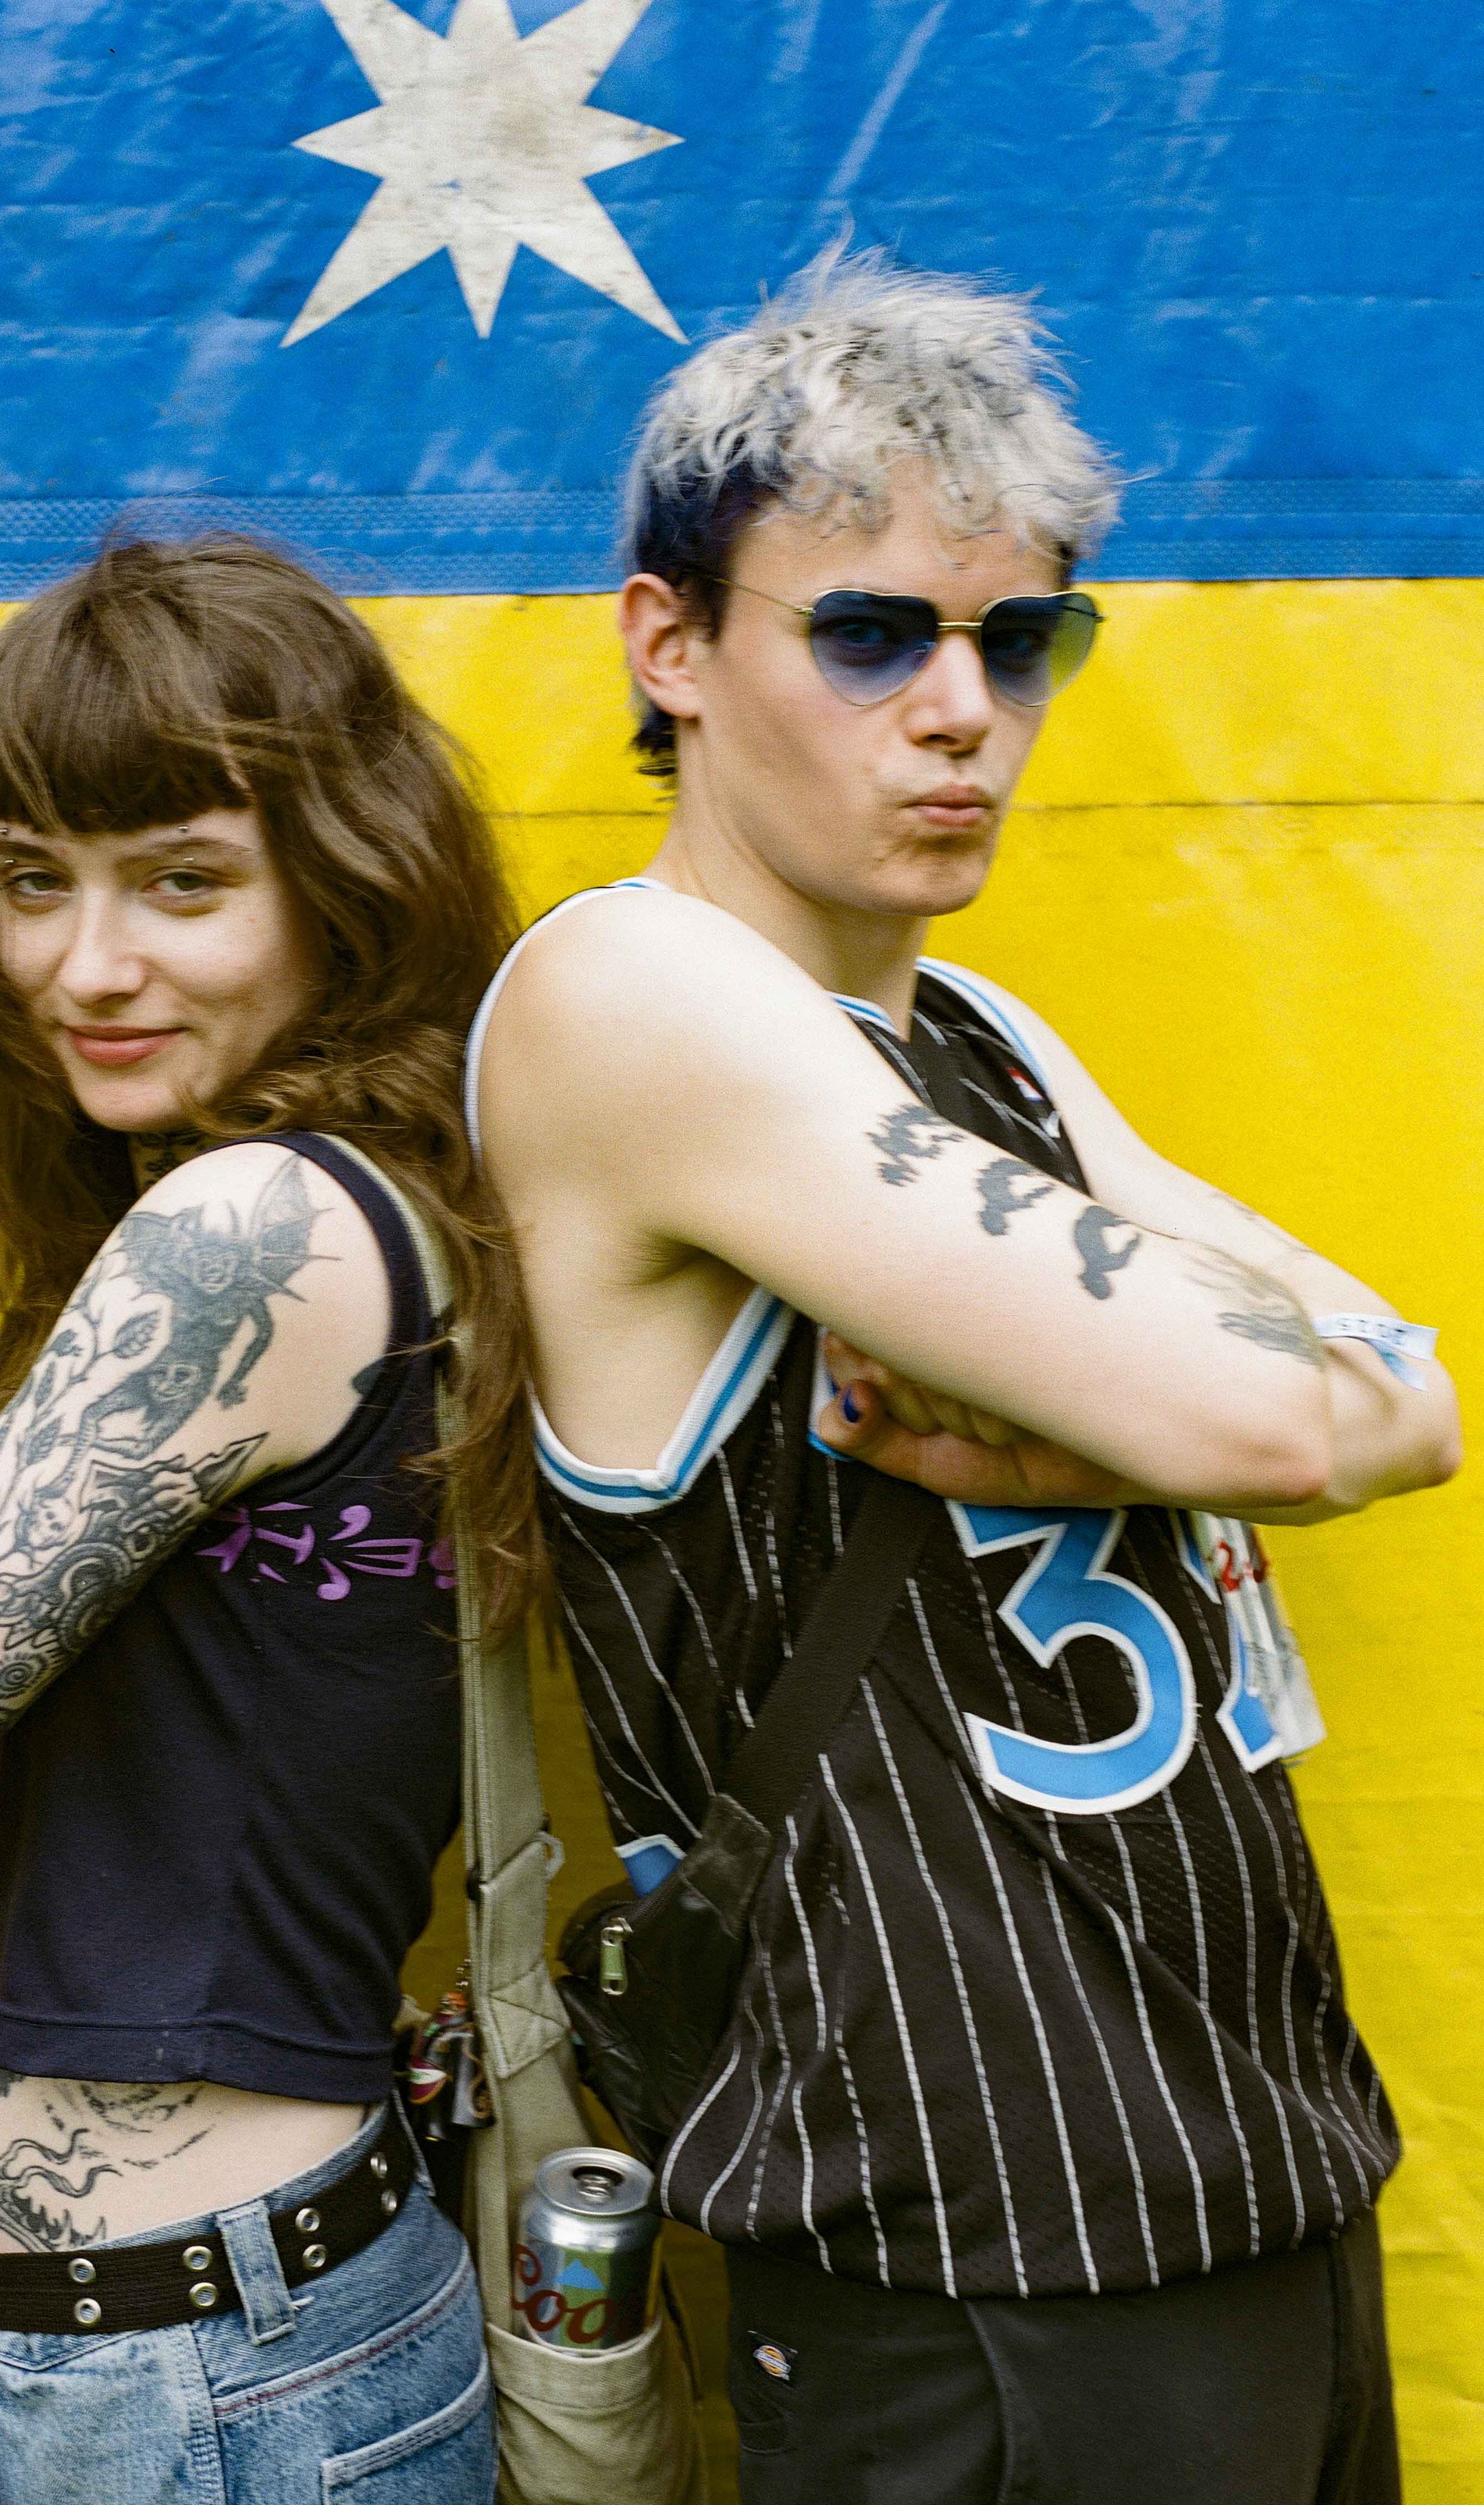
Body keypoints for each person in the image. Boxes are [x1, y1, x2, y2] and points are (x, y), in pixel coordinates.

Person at [468, 257, 1461, 2503]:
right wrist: (1214, 1396)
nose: (960, 711)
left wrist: (1135, 1400)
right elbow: (1291, 1417)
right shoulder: (629, 996)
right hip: (968, 2235)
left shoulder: (979, 1038)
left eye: (1017, 643)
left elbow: (1411, 1388)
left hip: (1245, 2157)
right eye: (868, 632)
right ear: (667, 645)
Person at [0, 534, 531, 2504]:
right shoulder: (336, 1199)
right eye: (33, 881)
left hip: (196, 2383)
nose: (83, 966)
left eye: (182, 879)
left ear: (343, 886)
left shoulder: (259, 1222)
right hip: (79, 2356)